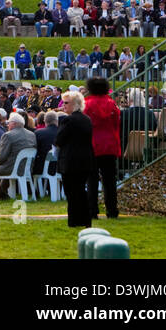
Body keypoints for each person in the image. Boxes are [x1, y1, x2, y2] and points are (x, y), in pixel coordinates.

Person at [55, 90, 95, 228]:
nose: (63, 105)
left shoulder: (68, 120)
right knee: (80, 191)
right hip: (85, 159)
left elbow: (59, 140)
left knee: (71, 192)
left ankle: (74, 220)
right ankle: (85, 220)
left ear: (75, 104)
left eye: (66, 103)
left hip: (71, 160)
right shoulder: (87, 119)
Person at [84, 75, 121, 219]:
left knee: (91, 180)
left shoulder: (86, 104)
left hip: (92, 144)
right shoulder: (112, 104)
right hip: (109, 145)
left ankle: (92, 210)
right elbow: (116, 122)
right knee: (110, 181)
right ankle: (112, 210)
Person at [0, 112, 37, 198]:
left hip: (12, 168)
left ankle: (0, 195)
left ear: (14, 124)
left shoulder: (8, 135)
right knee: (6, 168)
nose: (7, 125)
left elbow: (1, 158)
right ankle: (2, 193)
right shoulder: (32, 135)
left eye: (9, 123)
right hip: (26, 168)